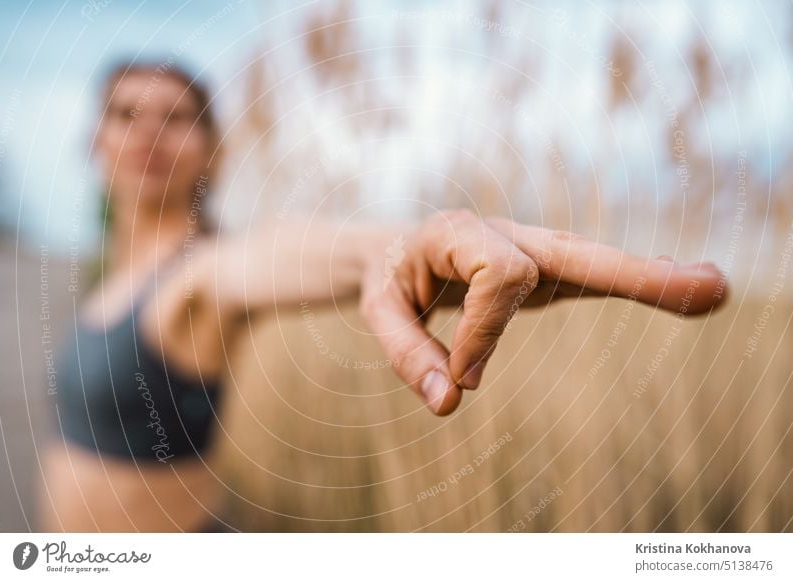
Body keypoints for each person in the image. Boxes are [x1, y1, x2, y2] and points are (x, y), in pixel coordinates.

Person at [39, 60, 728, 533]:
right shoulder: (115, 270)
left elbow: (287, 256)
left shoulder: (204, 274)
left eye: (177, 117)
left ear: (214, 151)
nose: (149, 134)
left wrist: (415, 246)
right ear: (95, 140)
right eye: (126, 114)